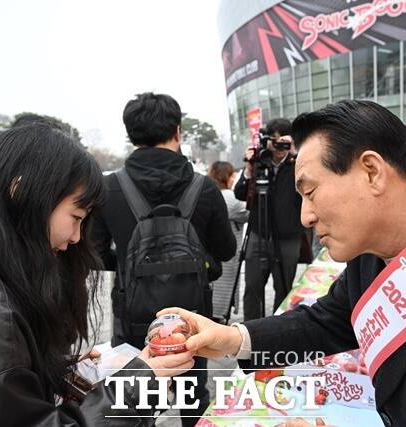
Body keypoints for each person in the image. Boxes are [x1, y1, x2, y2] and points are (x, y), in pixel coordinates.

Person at [161, 100, 406, 426]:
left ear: (372, 171)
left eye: (309, 192)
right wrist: (229, 338)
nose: (305, 217)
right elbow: (330, 321)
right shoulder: (373, 248)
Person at [0, 123, 195, 427]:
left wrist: (48, 367)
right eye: (76, 217)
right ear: (21, 191)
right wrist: (136, 386)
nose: (77, 237)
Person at [92, 92, 236, 426]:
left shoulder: (110, 187)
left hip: (133, 314)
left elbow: (95, 254)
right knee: (192, 393)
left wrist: (129, 266)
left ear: (130, 134)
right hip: (190, 315)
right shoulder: (204, 188)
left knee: (135, 395)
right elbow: (226, 250)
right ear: (178, 131)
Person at [234, 118, 304, 321]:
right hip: (258, 234)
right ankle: (250, 333)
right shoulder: (258, 162)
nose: (280, 147)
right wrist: (249, 168)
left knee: (283, 288)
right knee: (252, 288)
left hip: (288, 237)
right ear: (266, 140)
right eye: (275, 141)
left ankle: (277, 333)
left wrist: (296, 155)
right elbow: (240, 193)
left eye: (285, 142)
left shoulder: (298, 164)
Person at [207, 161, 249, 321]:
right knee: (221, 299)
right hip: (227, 255)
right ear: (225, 176)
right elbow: (251, 211)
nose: (233, 179)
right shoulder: (229, 197)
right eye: (232, 175)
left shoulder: (211, 193)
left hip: (214, 253)